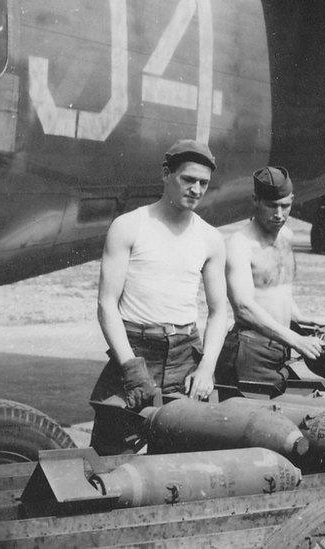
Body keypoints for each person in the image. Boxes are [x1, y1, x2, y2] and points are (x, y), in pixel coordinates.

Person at [90, 139, 228, 454]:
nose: (196, 189)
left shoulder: (211, 239)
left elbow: (220, 312)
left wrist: (206, 368)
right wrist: (129, 366)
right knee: (110, 459)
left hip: (185, 356)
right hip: (135, 351)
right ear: (166, 173)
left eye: (203, 183)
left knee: (179, 460)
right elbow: (106, 304)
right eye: (188, 179)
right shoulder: (129, 226)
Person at [216, 166, 323, 394]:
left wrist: (299, 317)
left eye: (285, 206)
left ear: (292, 200)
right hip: (249, 351)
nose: (279, 214)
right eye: (271, 206)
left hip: (281, 347)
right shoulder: (240, 244)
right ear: (256, 200)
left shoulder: (286, 236)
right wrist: (296, 340)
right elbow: (244, 308)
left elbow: (279, 287)